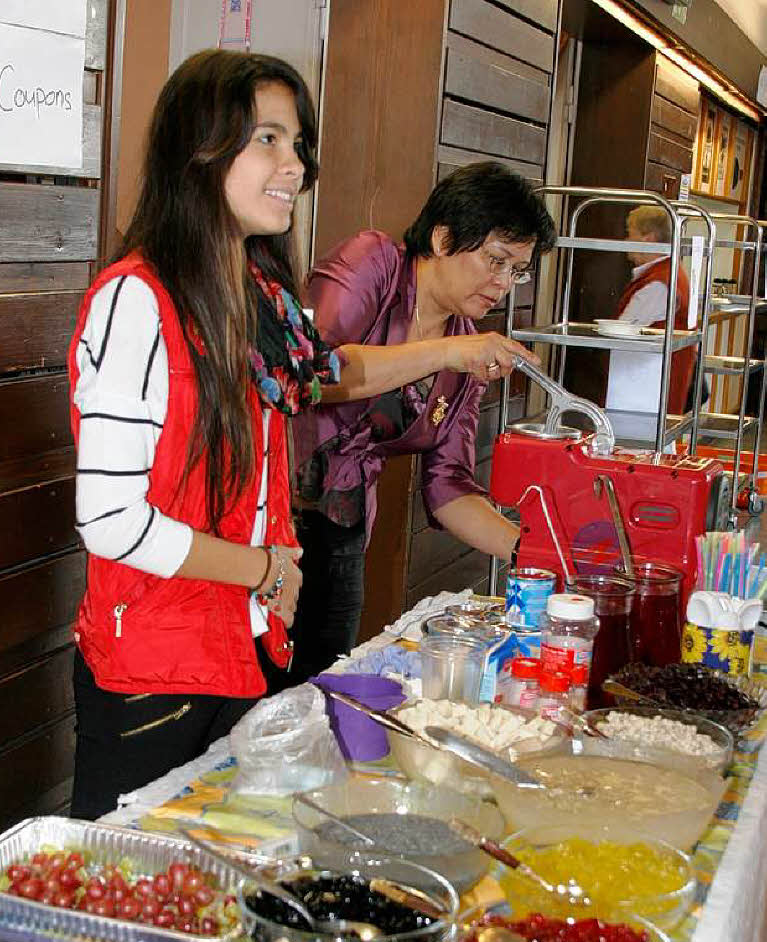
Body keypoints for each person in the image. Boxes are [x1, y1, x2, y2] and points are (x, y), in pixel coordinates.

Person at [67, 55, 530, 817]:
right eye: (269, 140)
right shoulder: (135, 300)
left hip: (239, 645)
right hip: (155, 662)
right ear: (200, 149)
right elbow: (111, 520)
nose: (296, 166)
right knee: (127, 896)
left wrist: (271, 568)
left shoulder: (257, 299)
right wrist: (262, 567)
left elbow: (322, 377)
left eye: (298, 143)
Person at [288, 163, 558, 683]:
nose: (503, 284)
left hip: (341, 528)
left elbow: (448, 487)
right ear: (442, 237)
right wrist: (447, 351)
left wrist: (539, 556)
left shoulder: (466, 352)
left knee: (317, 692)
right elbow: (315, 371)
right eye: (496, 260)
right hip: (271, 515)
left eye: (517, 271)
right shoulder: (376, 263)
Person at [606, 205, 695, 427]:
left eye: (630, 233)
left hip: (645, 393)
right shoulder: (669, 273)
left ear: (648, 239)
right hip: (651, 388)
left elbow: (622, 329)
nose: (626, 241)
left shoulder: (658, 283)